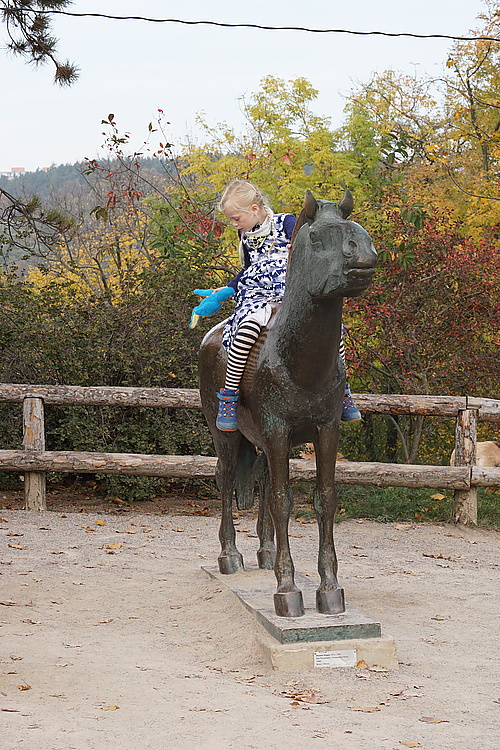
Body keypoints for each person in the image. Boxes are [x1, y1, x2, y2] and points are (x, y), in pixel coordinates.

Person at [196, 179, 361, 431]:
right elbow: (249, 269)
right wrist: (228, 287)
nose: (234, 224)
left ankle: (343, 388)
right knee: (246, 328)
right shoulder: (245, 235)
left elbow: (305, 246)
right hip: (258, 294)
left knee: (333, 330)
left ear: (253, 209)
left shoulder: (286, 223)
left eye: (236, 218)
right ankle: (229, 395)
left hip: (290, 290)